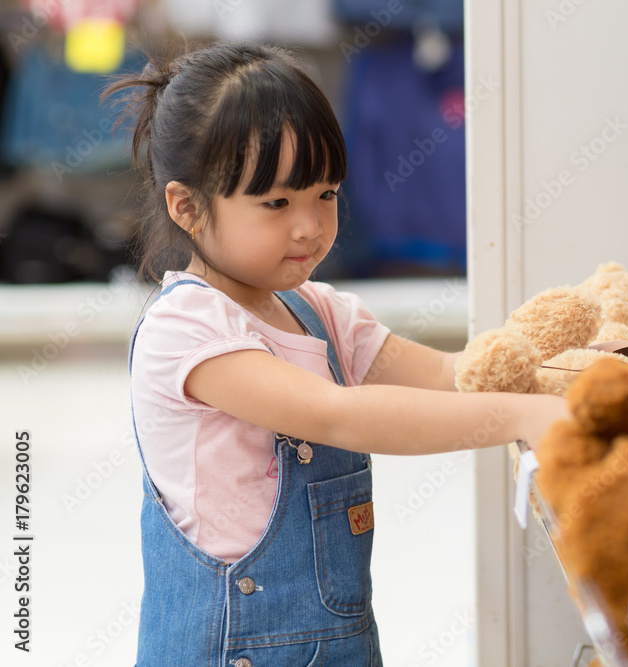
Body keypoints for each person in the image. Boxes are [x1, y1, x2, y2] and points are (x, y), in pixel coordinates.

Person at [107, 42, 567, 666]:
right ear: (187, 207)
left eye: (325, 194)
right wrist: (519, 419)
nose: (310, 225)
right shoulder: (185, 328)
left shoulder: (317, 310)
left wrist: (559, 379)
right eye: (277, 203)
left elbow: (440, 374)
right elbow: (334, 415)